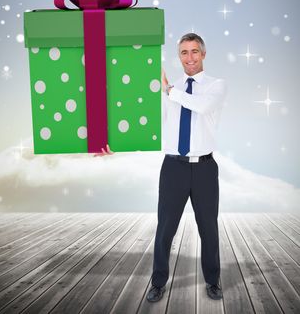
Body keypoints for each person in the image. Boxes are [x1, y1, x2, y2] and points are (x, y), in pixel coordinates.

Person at [97, 32, 227, 302]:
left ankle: (213, 281)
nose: (189, 58)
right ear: (178, 57)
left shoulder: (215, 86)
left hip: (204, 168)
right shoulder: (170, 90)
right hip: (173, 169)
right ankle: (158, 282)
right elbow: (152, 127)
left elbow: (201, 107)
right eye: (183, 52)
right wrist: (116, 145)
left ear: (203, 54)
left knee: (208, 228)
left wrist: (170, 91)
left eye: (194, 52)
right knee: (165, 228)